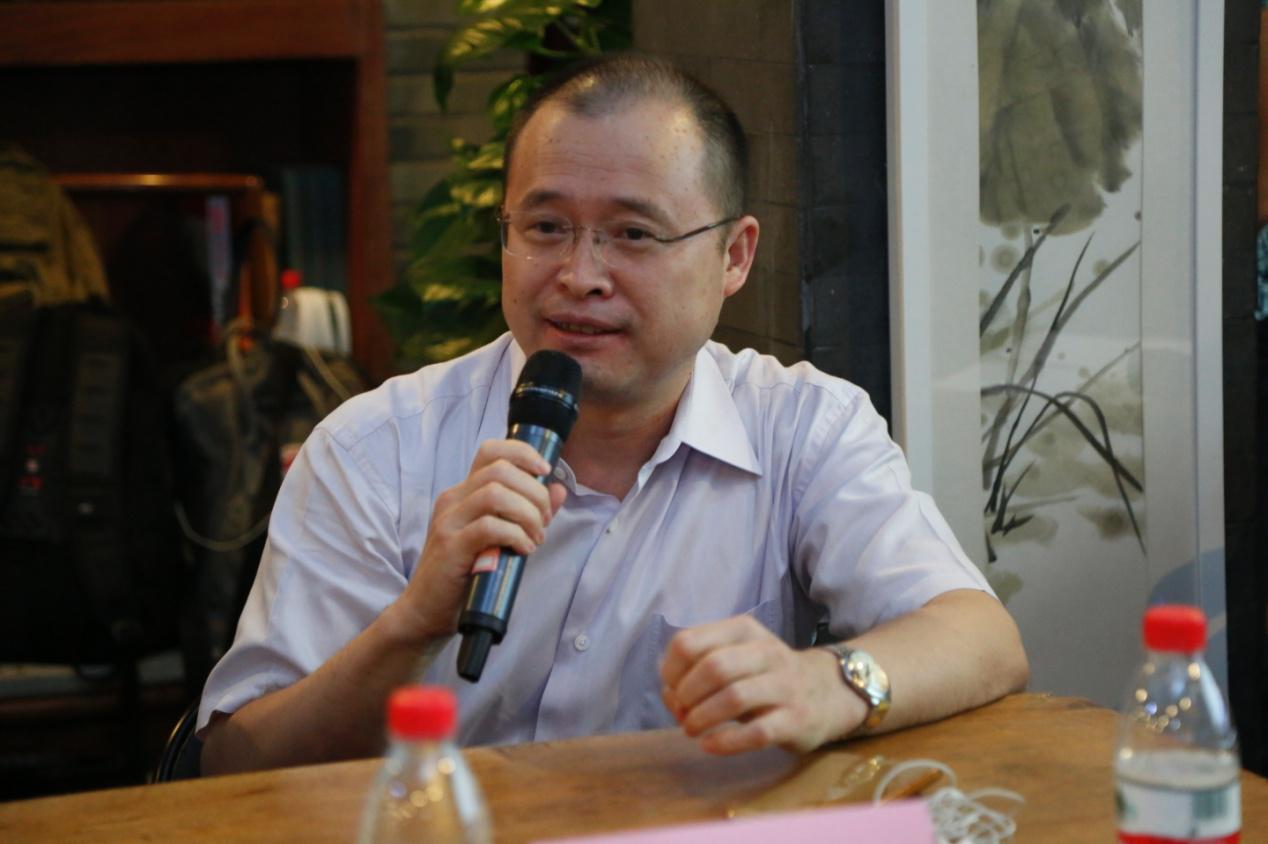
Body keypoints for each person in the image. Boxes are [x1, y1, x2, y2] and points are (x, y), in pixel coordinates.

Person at [199, 54, 1028, 775]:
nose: (579, 275)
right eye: (546, 227)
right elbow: (233, 765)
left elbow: (981, 639)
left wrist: (830, 682)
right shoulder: (378, 448)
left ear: (735, 256)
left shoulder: (803, 429)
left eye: (632, 234)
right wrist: (411, 626)